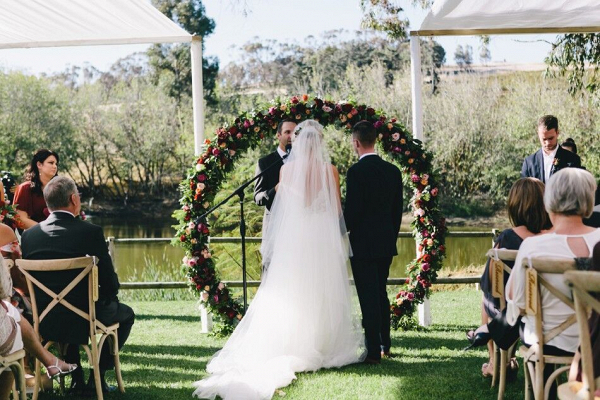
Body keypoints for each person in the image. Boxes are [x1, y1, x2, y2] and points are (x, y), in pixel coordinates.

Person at [193, 120, 365, 400]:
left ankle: (293, 342)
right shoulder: (330, 170)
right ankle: (321, 344)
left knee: (292, 288)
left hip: (295, 239)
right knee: (320, 288)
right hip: (320, 236)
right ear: (320, 143)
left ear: (298, 143)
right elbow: (336, 211)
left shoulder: (287, 170)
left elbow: (282, 209)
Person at [20, 176, 134, 394]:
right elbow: (109, 281)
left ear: (48, 203)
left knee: (67, 309)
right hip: (85, 316)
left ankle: (75, 378)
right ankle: (97, 376)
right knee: (126, 315)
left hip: (45, 319)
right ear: (74, 199)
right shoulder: (90, 232)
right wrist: (110, 296)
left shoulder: (29, 236)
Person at [506, 168, 599, 399]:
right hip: (596, 339)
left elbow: (516, 300)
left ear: (550, 201)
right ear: (589, 200)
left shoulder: (533, 247)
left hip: (547, 338)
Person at [469, 178, 550, 377]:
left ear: (515, 205)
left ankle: (495, 361)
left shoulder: (506, 238)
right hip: (550, 312)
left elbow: (488, 283)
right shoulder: (553, 237)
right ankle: (508, 358)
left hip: (515, 312)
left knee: (489, 298)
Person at [344, 120, 403, 364]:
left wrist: (339, 229)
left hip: (363, 245)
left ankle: (372, 352)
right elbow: (397, 212)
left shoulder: (356, 173)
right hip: (385, 243)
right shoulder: (393, 171)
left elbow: (353, 212)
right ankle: (385, 344)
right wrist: (390, 235)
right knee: (380, 292)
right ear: (375, 140)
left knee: (368, 297)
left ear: (356, 143)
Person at [0, 258, 77, 400]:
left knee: (12, 312)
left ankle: (47, 363)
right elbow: (4, 289)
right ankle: (48, 362)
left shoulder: (30, 238)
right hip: (74, 310)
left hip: (40, 306)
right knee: (12, 314)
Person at [254, 120, 296, 241]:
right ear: (278, 135)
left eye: (294, 133)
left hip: (299, 225)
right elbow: (257, 197)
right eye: (287, 132)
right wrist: (275, 190)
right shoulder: (265, 162)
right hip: (274, 226)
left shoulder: (304, 161)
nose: (291, 136)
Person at [521, 115, 581, 183]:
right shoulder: (529, 162)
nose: (547, 143)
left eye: (551, 138)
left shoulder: (572, 160)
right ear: (538, 134)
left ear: (557, 133)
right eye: (544, 139)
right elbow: (525, 191)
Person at [13, 149, 59, 229]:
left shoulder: (61, 188)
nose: (55, 166)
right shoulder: (25, 188)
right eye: (51, 163)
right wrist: (47, 230)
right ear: (39, 165)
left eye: (56, 164)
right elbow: (21, 219)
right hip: (34, 235)